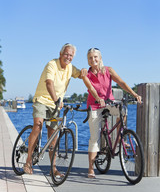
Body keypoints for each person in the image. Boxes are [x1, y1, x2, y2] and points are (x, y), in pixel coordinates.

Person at [24, 43, 86, 175]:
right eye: (66, 54)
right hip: (42, 100)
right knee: (38, 125)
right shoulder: (52, 64)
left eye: (71, 55)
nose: (68, 57)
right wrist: (56, 99)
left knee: (53, 136)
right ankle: (28, 160)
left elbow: (80, 75)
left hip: (55, 105)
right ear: (60, 54)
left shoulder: (70, 68)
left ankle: (53, 168)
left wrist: (85, 71)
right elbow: (49, 83)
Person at [82, 48, 142, 178]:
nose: (93, 60)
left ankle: (120, 138)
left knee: (123, 112)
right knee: (94, 138)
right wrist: (98, 99)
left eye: (95, 57)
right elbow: (91, 89)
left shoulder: (108, 70)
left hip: (109, 102)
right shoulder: (86, 74)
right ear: (88, 60)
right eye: (90, 58)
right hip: (94, 105)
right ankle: (91, 168)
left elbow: (121, 82)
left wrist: (135, 94)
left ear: (100, 57)